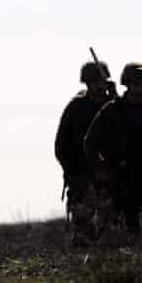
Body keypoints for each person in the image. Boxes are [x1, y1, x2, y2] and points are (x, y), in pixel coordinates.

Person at [83, 62, 142, 235]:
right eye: (135, 83)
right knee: (123, 230)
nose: (139, 87)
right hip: (122, 177)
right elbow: (90, 142)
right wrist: (100, 167)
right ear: (127, 83)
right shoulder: (112, 110)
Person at [55, 60, 116, 233]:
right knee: (83, 230)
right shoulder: (76, 107)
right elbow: (61, 146)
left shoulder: (114, 106)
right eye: (94, 81)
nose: (99, 85)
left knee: (110, 229)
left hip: (109, 175)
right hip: (82, 174)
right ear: (87, 83)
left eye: (101, 81)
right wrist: (74, 173)